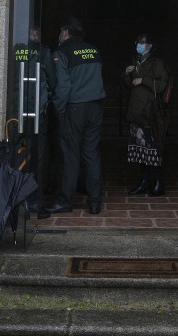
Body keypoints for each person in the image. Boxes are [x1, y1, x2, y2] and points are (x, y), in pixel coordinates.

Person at [40, 18, 106, 216]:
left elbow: (63, 87)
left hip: (75, 108)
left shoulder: (62, 53)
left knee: (70, 155)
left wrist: (59, 110)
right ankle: (94, 202)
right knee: (91, 153)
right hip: (96, 108)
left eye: (61, 32)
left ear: (65, 32)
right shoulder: (93, 50)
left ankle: (64, 201)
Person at [122, 31, 169, 197]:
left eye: (142, 42)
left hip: (149, 112)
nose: (138, 45)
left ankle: (157, 183)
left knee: (153, 150)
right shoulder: (136, 61)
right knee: (138, 151)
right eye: (137, 42)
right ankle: (143, 183)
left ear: (149, 45)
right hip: (136, 112)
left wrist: (144, 80)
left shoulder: (156, 62)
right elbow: (130, 85)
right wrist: (127, 75)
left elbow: (163, 84)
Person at [25, 24, 55, 211]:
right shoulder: (20, 51)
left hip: (40, 111)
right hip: (23, 111)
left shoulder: (45, 53)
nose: (35, 36)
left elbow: (52, 79)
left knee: (40, 155)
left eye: (38, 33)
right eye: (33, 33)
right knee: (25, 153)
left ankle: (37, 195)